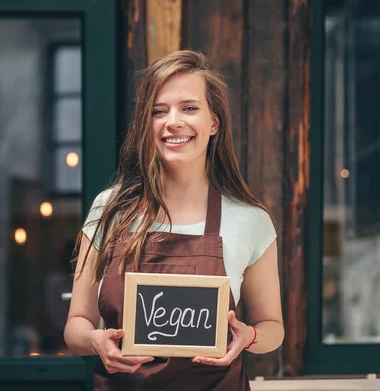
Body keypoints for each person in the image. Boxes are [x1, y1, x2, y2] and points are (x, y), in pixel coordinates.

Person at [63, 50, 284, 390]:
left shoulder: (250, 220)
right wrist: (96, 341)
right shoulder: (111, 209)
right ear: (145, 125)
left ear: (214, 123)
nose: (173, 121)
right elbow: (77, 323)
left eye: (189, 108)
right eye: (158, 111)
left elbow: (273, 327)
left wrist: (250, 336)